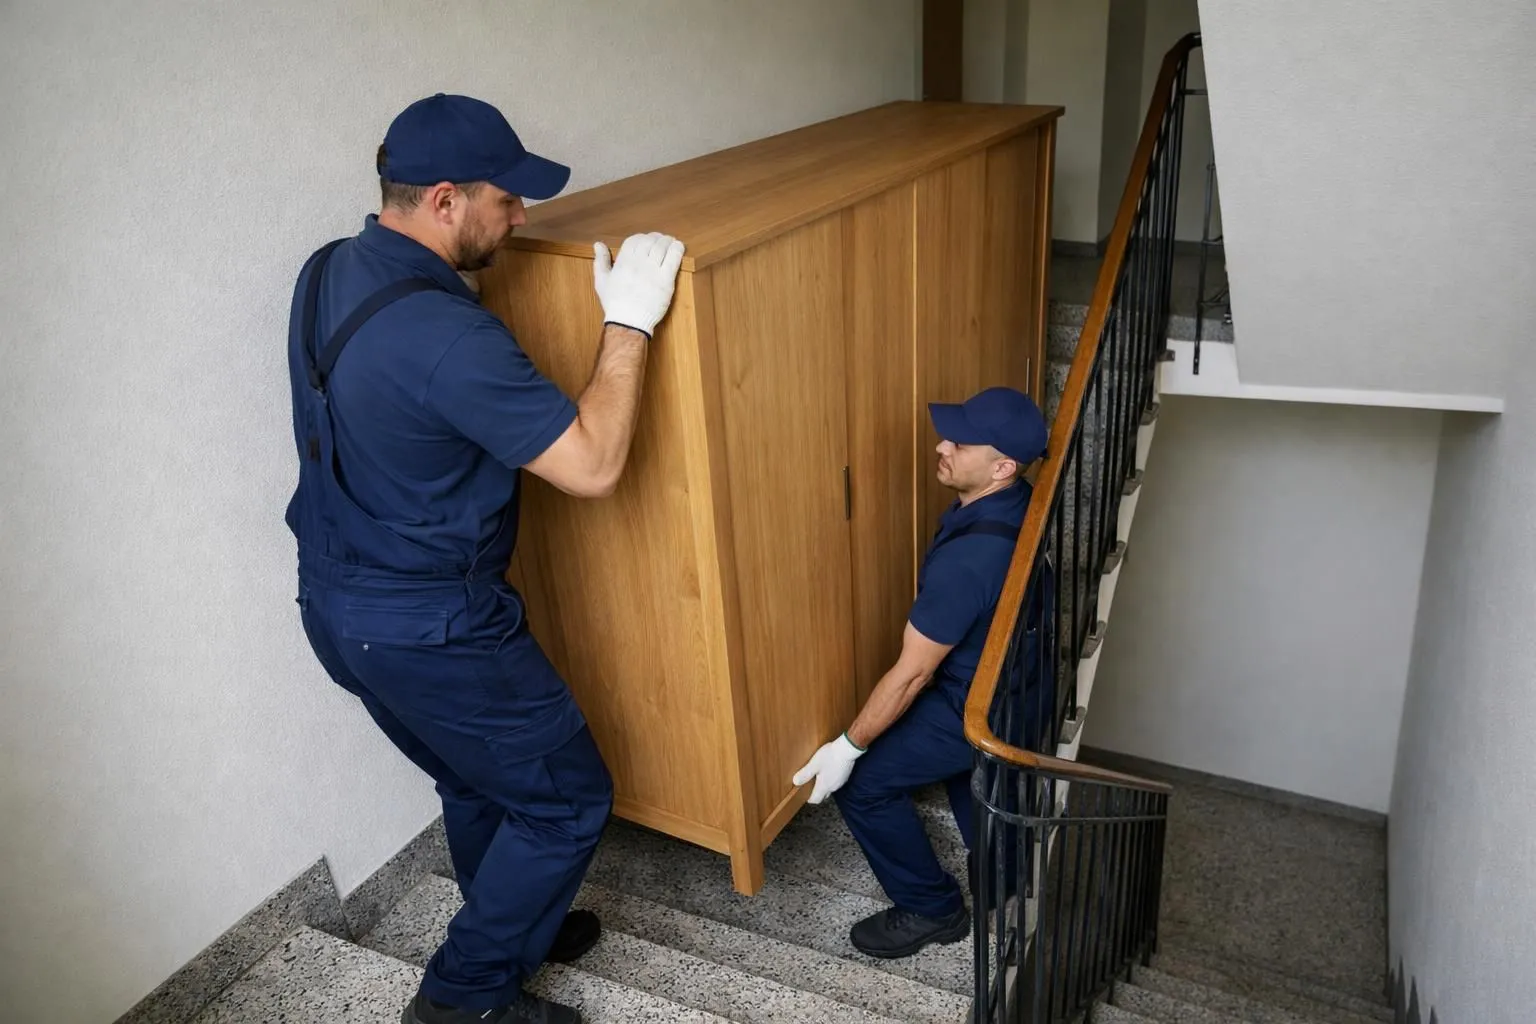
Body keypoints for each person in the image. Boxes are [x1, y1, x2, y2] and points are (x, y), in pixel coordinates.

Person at [283, 93, 684, 1024]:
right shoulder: (449, 336)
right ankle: (464, 999)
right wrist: (628, 325)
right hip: (434, 625)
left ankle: (520, 930)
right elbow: (590, 466)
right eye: (507, 201)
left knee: (474, 779)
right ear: (446, 200)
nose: (521, 217)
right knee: (568, 803)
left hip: (338, 610)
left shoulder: (327, 271)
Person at [792, 385, 1050, 960]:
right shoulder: (1017, 501)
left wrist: (847, 746)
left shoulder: (970, 559)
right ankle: (1005, 884)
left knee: (864, 785)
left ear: (1002, 466)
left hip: (975, 702)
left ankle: (933, 910)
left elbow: (911, 675)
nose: (941, 445)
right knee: (974, 784)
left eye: (959, 442)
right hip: (1021, 684)